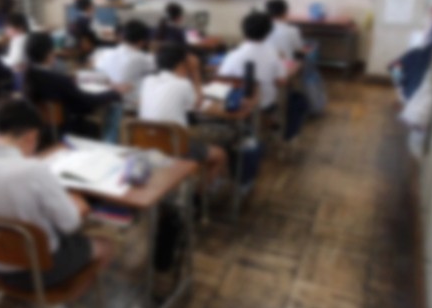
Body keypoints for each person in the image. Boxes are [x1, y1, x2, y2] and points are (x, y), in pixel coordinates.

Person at [0, 98, 111, 292]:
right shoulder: (35, 171)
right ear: (31, 137)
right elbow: (70, 225)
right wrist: (76, 203)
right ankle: (70, 292)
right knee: (105, 245)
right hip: (40, 270)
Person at [140, 44, 227, 186]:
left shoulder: (147, 81)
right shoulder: (183, 84)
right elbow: (198, 104)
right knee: (220, 154)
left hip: (146, 141)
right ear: (181, 65)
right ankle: (202, 193)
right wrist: (196, 72)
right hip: (174, 145)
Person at [23, 33, 124, 138]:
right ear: (50, 54)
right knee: (97, 123)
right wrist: (114, 93)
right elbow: (87, 103)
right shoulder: (59, 81)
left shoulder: (24, 77)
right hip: (62, 133)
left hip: (37, 131)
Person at [219, 11, 288, 110]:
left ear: (243, 30)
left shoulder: (233, 55)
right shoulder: (273, 54)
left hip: (236, 104)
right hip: (264, 104)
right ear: (269, 32)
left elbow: (223, 79)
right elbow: (281, 81)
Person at [94, 20, 155, 108]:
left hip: (104, 103)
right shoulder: (143, 58)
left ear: (122, 37)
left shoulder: (104, 53)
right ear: (142, 41)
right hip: (129, 105)